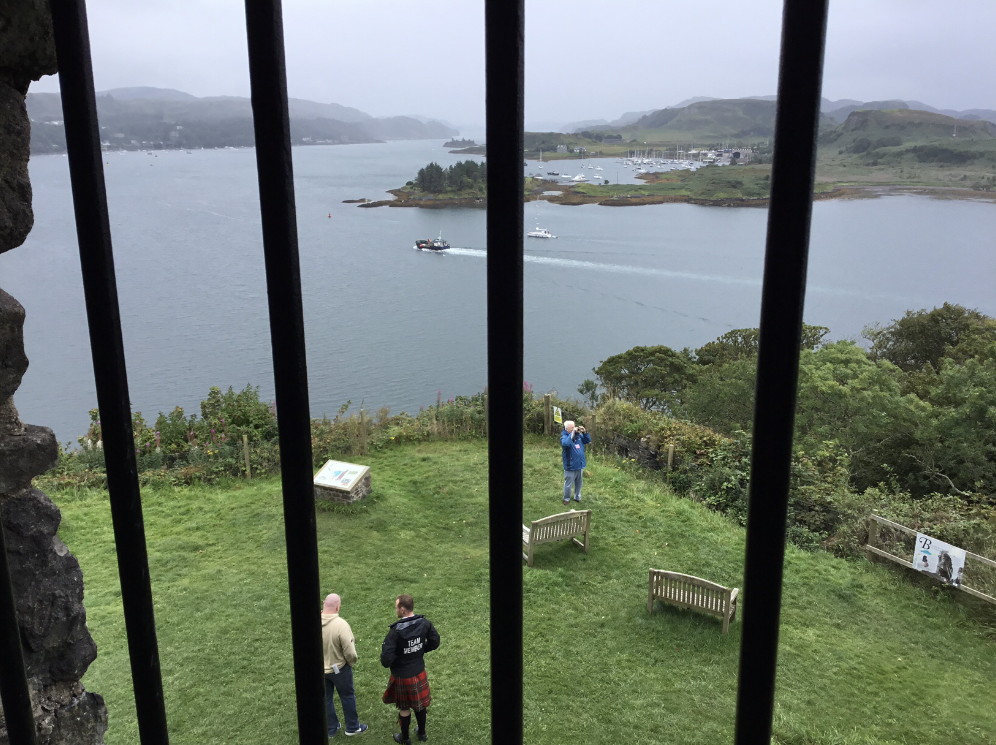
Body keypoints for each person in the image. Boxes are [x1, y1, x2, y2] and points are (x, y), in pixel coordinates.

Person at [381, 594, 440, 744]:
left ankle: (405, 738)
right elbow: (435, 641)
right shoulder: (424, 623)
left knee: (405, 707)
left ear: (402, 609)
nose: (396, 610)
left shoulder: (395, 632)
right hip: (418, 671)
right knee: (420, 705)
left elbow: (386, 660)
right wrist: (420, 650)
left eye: (396, 608)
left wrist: (400, 656)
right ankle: (422, 733)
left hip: (402, 675)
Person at [321, 593, 368, 738]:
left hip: (320, 670)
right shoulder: (341, 625)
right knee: (347, 696)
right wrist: (350, 663)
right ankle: (352, 727)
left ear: (324, 604)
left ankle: (331, 728)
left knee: (326, 698)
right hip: (339, 669)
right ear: (338, 606)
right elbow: (350, 652)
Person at [560, 420, 591, 505]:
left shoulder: (579, 436)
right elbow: (566, 444)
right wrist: (572, 433)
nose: (575, 429)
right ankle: (566, 498)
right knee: (568, 484)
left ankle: (577, 497)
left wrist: (585, 432)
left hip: (580, 464)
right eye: (572, 428)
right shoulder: (564, 437)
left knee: (579, 483)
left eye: (574, 427)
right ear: (567, 429)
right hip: (571, 465)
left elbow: (588, 440)